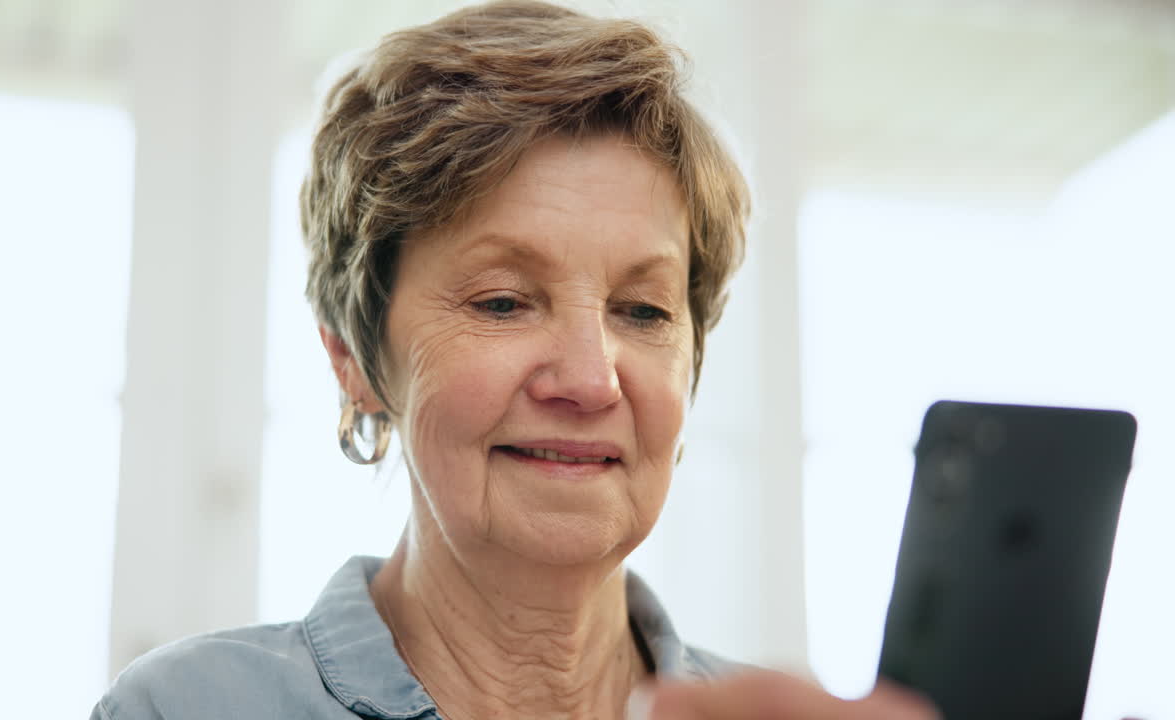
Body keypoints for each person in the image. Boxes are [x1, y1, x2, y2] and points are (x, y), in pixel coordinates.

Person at [92, 2, 937, 719]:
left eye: (643, 312)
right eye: (502, 302)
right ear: (354, 361)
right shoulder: (190, 706)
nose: (590, 379)